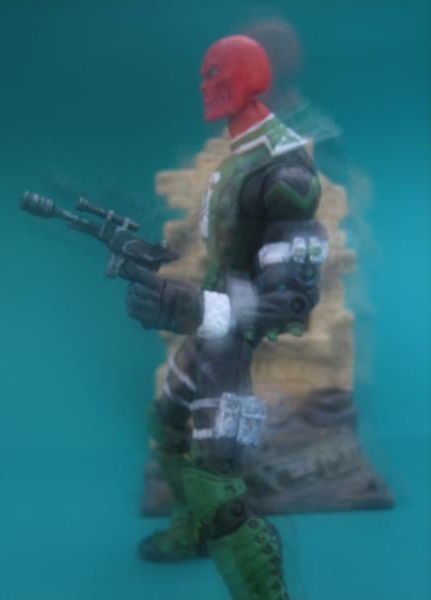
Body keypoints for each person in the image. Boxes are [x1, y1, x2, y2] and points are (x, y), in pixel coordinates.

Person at [126, 34, 328, 600]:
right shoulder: (242, 154)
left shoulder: (286, 171)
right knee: (166, 423)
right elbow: (226, 247)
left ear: (247, 78)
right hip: (211, 329)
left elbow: (290, 301)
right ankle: (192, 529)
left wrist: (188, 305)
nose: (203, 85)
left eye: (213, 73)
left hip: (233, 342)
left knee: (215, 477)